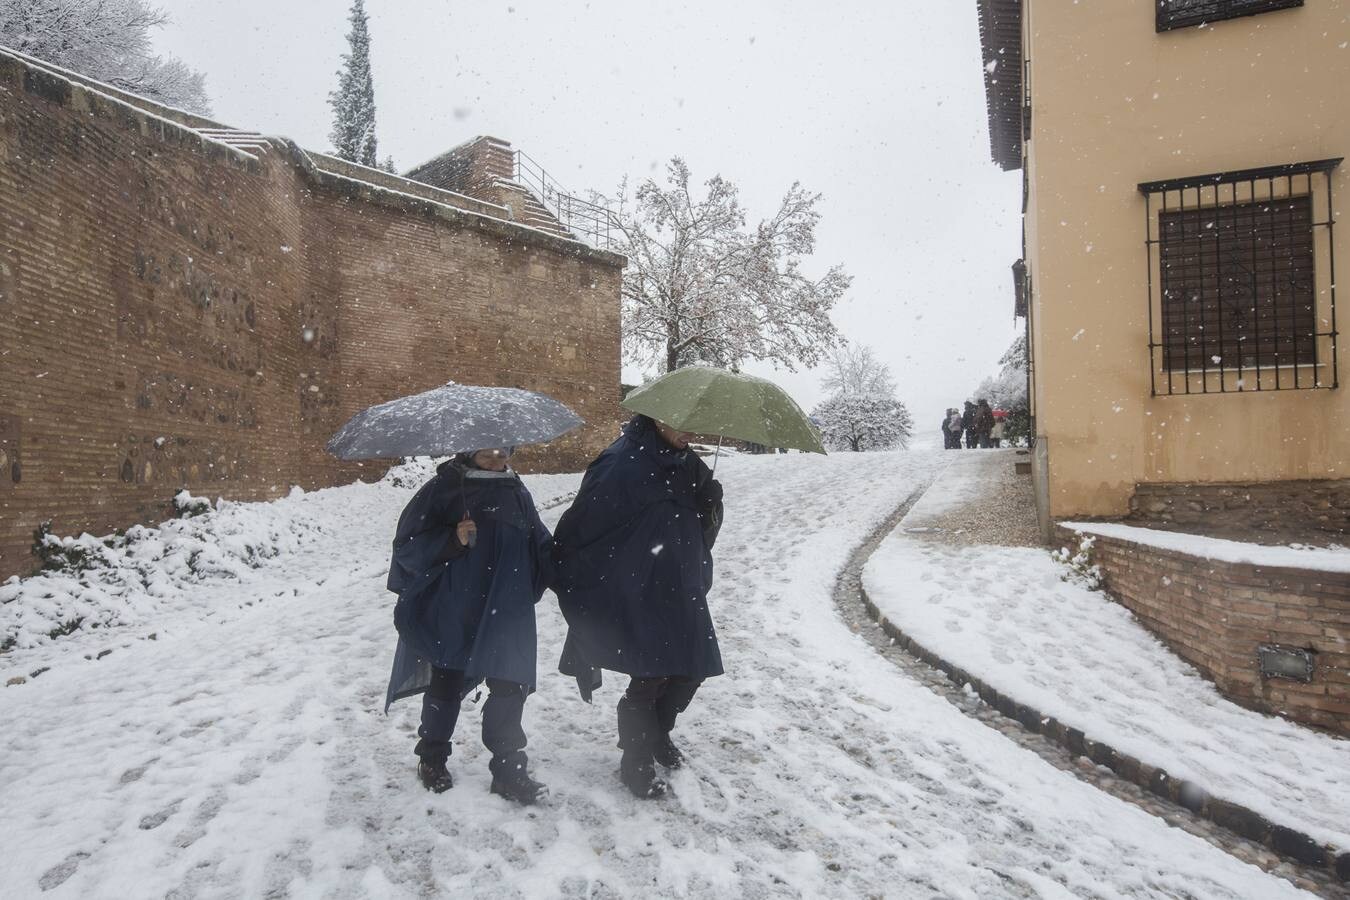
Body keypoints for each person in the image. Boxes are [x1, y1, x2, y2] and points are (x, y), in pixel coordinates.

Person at [552, 415, 724, 799]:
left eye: (692, 423)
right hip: (640, 584)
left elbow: (700, 531)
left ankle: (659, 734)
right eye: (679, 423)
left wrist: (711, 504)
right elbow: (585, 521)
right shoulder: (621, 462)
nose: (689, 432)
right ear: (656, 417)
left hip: (681, 583)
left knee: (690, 669)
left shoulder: (689, 463)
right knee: (650, 675)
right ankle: (635, 759)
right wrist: (571, 565)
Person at [383, 447, 553, 804]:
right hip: (457, 606)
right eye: (486, 452)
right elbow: (407, 547)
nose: (496, 458)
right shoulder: (442, 490)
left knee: (509, 686)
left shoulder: (517, 492)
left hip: (506, 608)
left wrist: (568, 561)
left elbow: (539, 542)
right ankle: (432, 757)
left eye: (502, 451)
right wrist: (451, 539)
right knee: (446, 684)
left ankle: (508, 770)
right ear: (469, 452)